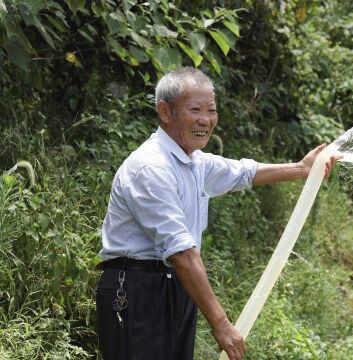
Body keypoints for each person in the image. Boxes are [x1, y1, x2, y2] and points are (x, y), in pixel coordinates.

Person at [95, 67, 339, 360]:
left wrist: (300, 169)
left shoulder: (193, 161)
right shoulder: (151, 168)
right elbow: (182, 253)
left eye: (211, 110)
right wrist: (221, 324)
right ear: (165, 111)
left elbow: (242, 172)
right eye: (194, 109)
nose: (206, 119)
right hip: (137, 291)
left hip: (174, 288)